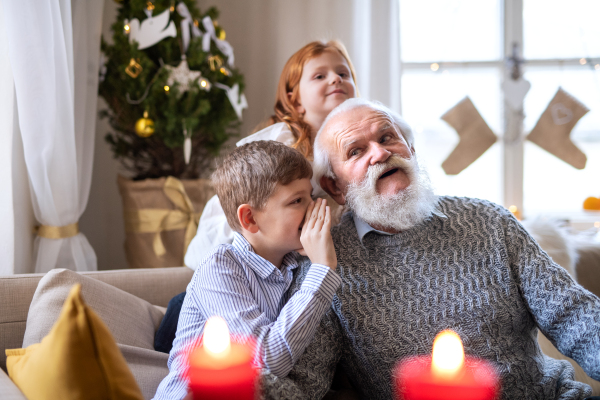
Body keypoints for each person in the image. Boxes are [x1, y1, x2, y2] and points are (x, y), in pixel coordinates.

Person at [261, 98, 600, 400]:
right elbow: (305, 384)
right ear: (335, 186)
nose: (380, 153)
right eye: (356, 151)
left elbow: (574, 315)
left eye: (386, 137)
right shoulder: (326, 264)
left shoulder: (489, 220)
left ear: (410, 147)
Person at [154, 39, 358, 353]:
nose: (335, 79)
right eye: (320, 76)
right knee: (189, 314)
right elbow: (239, 205)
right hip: (238, 258)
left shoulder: (352, 146)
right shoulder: (284, 141)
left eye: (344, 73)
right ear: (296, 100)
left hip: (279, 265)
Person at [153, 141, 341, 400]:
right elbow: (266, 362)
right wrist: (322, 269)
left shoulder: (293, 265)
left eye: (311, 196)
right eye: (297, 201)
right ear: (250, 219)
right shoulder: (220, 266)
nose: (313, 209)